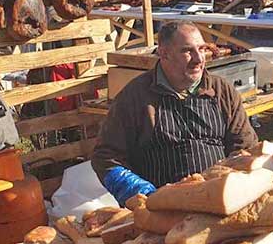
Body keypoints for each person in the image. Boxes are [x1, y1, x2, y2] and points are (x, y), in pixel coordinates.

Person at [92, 22, 258, 204]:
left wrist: (236, 182)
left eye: (202, 49)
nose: (199, 59)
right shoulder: (135, 96)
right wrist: (143, 195)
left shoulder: (221, 91)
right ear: (164, 54)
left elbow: (245, 146)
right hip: (161, 207)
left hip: (219, 199)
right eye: (187, 51)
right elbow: (106, 157)